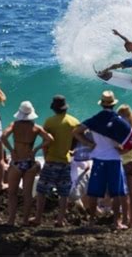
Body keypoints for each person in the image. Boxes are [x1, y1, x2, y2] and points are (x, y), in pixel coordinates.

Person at [73, 90, 131, 229]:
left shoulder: (95, 119)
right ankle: (116, 222)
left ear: (102, 104)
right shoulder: (119, 121)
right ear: (113, 104)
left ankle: (92, 222)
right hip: (114, 159)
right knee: (116, 193)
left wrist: (88, 143)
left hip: (98, 159)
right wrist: (123, 150)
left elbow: (75, 131)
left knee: (94, 192)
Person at [1, 101, 53, 226]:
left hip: (17, 162)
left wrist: (11, 150)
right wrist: (36, 149)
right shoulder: (36, 127)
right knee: (27, 194)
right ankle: (25, 220)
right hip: (30, 162)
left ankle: (11, 220)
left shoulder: (14, 125)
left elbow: (3, 136)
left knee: (12, 193)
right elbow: (49, 139)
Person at [35, 95, 79, 227]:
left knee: (41, 190)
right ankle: (60, 220)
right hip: (66, 161)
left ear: (54, 108)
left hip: (51, 159)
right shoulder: (74, 122)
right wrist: (71, 150)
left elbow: (45, 142)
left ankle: (38, 218)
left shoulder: (49, 122)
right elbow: (77, 139)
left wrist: (45, 156)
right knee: (63, 192)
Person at [117, 104, 132, 227]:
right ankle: (131, 220)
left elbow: (121, 148)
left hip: (122, 162)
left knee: (123, 192)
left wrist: (120, 151)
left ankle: (125, 219)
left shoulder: (123, 130)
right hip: (131, 162)